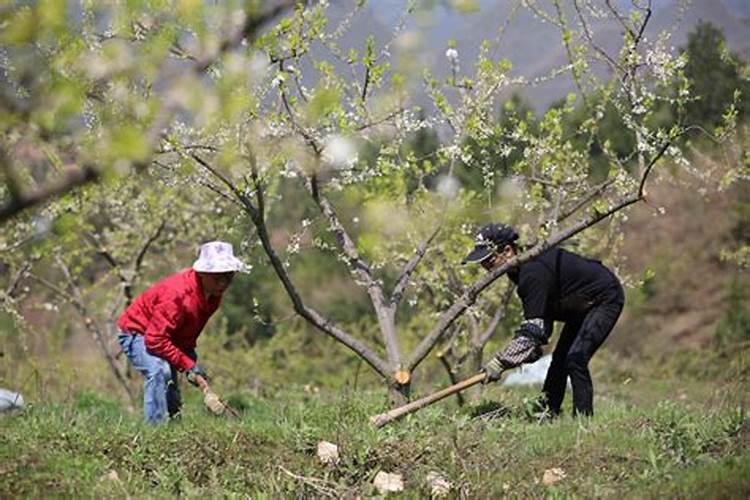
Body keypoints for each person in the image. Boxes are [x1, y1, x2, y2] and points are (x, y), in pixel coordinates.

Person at [463, 223, 625, 417]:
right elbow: (539, 327)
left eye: (489, 261)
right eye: (483, 264)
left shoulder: (532, 273)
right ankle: (547, 413)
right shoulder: (519, 272)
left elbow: (532, 332)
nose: (486, 269)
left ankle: (583, 423)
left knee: (575, 359)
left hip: (603, 298)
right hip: (576, 305)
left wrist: (501, 362)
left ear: (507, 251)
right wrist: (524, 353)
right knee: (559, 360)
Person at [117, 241, 246, 424]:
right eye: (218, 277)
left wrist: (189, 362)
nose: (223, 283)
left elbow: (188, 329)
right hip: (138, 333)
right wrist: (186, 363)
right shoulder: (176, 296)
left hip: (165, 335)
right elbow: (154, 340)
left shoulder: (213, 296)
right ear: (202, 273)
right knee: (160, 371)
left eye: (228, 277)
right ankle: (155, 433)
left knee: (171, 380)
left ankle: (174, 426)